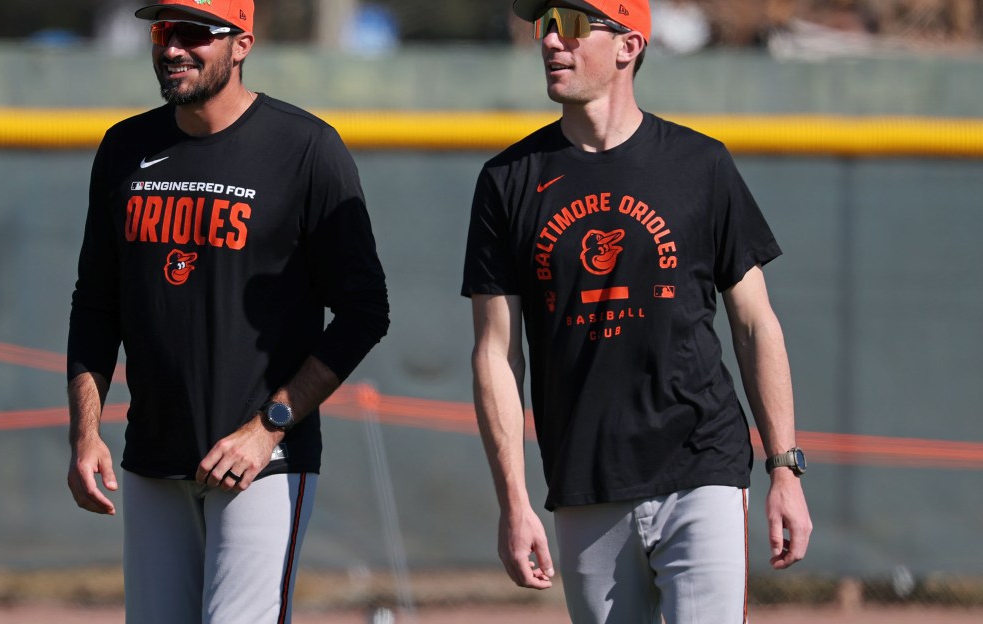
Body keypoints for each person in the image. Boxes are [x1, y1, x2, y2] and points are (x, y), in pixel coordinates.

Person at [461, 1, 812, 622]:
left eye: (570, 25)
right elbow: (496, 352)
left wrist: (785, 468)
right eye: (544, 26)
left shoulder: (701, 165)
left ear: (628, 45)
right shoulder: (507, 181)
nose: (550, 42)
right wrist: (512, 500)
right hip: (585, 481)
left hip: (702, 462)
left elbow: (755, 323)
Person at [65, 1, 390, 621]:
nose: (172, 48)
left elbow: (364, 312)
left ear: (241, 43)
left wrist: (269, 426)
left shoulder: (305, 149)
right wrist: (85, 432)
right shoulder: (125, 147)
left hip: (260, 465)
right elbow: (95, 303)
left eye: (194, 32)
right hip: (153, 457)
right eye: (163, 31)